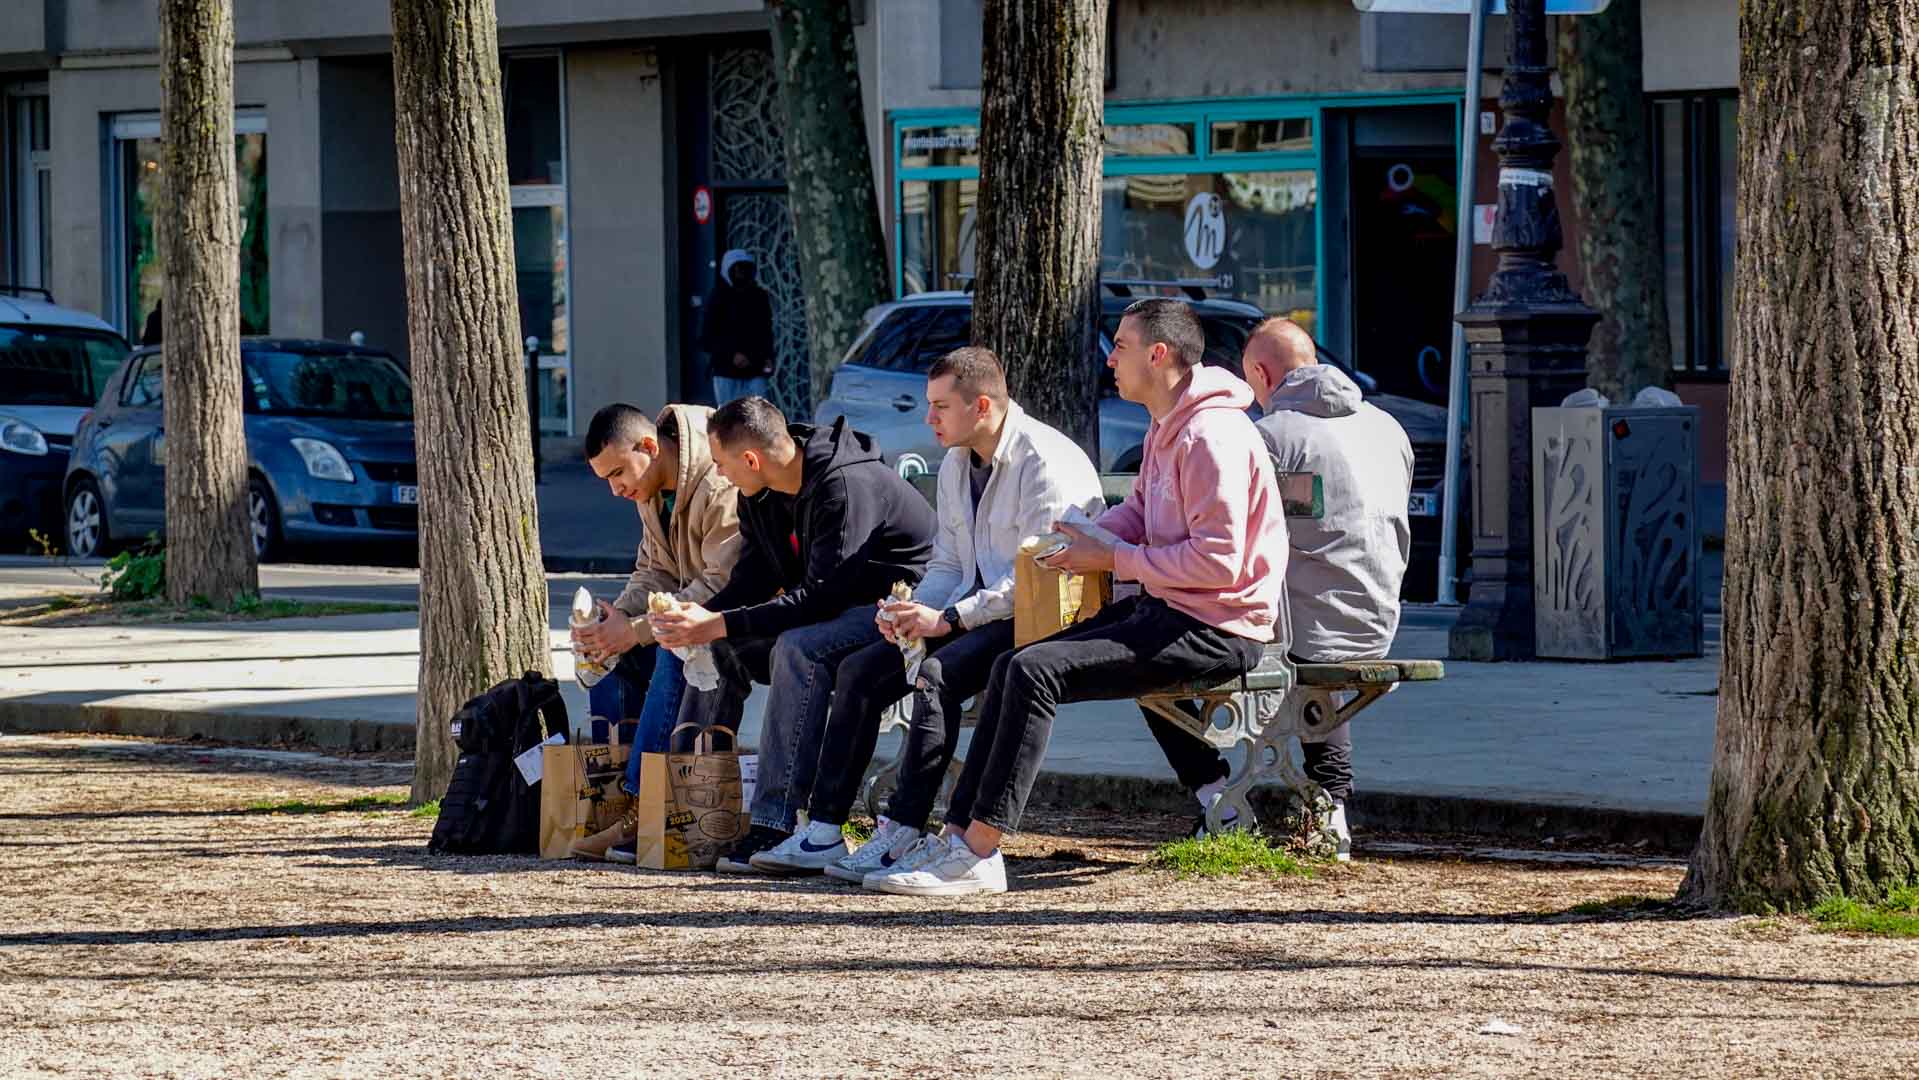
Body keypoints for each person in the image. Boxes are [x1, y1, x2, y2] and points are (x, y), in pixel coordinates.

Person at [868, 299, 1289, 896]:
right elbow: (1139, 511)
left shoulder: (1209, 435)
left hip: (1219, 626)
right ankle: (957, 836)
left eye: (1121, 346)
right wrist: (1077, 538)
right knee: (1013, 662)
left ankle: (979, 852)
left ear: (1158, 355)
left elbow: (1218, 563)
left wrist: (1111, 557)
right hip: (1169, 609)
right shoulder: (1169, 424)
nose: (1110, 359)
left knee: (1034, 671)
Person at [749, 346, 1105, 879]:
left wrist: (950, 619)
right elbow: (949, 562)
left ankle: (903, 829)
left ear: (981, 406)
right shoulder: (958, 461)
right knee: (861, 670)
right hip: (977, 610)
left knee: (937, 675)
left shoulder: (1042, 463)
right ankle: (823, 831)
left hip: (1042, 615)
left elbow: (1037, 575)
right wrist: (914, 609)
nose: (928, 419)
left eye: (940, 406)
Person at [650, 397, 936, 872]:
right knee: (718, 646)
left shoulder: (843, 485)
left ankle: (775, 820)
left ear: (750, 459)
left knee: (798, 648)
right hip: (840, 607)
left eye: (720, 463)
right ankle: (693, 812)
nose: (718, 474)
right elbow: (754, 578)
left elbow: (820, 599)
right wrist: (701, 619)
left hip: (901, 607)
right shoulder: (759, 492)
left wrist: (716, 621)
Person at [1239, 317, 1412, 860]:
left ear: (1261, 374)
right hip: (1380, 618)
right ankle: (1329, 805)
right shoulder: (1388, 427)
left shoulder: (1272, 437)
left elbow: (1256, 536)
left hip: (1307, 629)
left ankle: (1218, 793)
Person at [568, 403, 743, 861]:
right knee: (609, 653)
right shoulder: (650, 487)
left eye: (618, 473)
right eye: (606, 479)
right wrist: (614, 622)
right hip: (690, 615)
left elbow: (722, 584)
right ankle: (613, 799)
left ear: (649, 446)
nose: (615, 489)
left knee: (672, 647)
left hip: (742, 617)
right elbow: (653, 571)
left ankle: (643, 807)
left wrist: (638, 630)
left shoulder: (717, 478)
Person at [700, 249, 775, 405]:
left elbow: (766, 331)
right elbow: (707, 338)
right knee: (729, 414)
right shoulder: (718, 298)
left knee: (759, 412)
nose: (741, 273)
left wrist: (768, 357)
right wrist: (731, 355)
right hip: (726, 372)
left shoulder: (759, 297)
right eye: (737, 269)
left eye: (745, 268)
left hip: (756, 369)